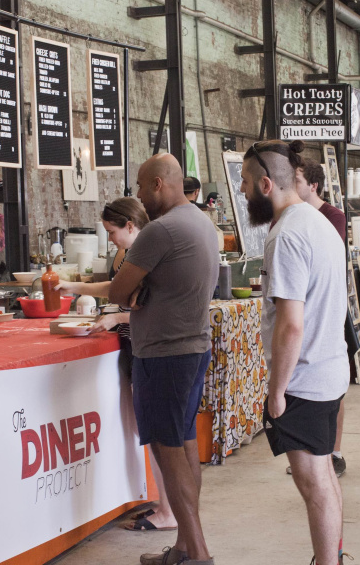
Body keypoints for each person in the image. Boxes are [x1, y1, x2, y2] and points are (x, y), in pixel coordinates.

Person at [242, 140, 349, 565]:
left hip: (304, 378)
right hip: (329, 369)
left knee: (313, 482)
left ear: (266, 184)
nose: (243, 190)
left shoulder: (286, 235)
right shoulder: (316, 221)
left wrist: (276, 391)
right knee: (323, 474)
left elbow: (291, 324)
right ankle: (331, 558)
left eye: (246, 182)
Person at [109, 154, 218, 565]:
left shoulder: (160, 230)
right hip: (192, 349)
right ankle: (185, 548)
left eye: (140, 185)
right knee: (184, 447)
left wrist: (137, 292)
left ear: (157, 183)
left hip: (164, 355)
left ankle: (198, 554)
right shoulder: (201, 222)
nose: (137, 194)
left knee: (168, 453)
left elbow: (118, 291)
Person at [55, 198, 177, 533]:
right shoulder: (133, 253)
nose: (110, 239)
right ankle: (165, 505)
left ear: (130, 225)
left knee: (155, 433)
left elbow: (150, 307)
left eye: (112, 232)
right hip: (137, 347)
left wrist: (116, 319)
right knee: (149, 431)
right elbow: (117, 289)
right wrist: (75, 287)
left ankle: (169, 511)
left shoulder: (146, 254)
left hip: (145, 347)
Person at [293, 158, 348, 479]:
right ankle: (311, 452)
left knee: (331, 386)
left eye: (297, 180)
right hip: (301, 310)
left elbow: (322, 263)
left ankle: (334, 451)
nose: (291, 186)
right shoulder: (288, 218)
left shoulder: (332, 217)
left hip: (326, 310)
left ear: (313, 185)